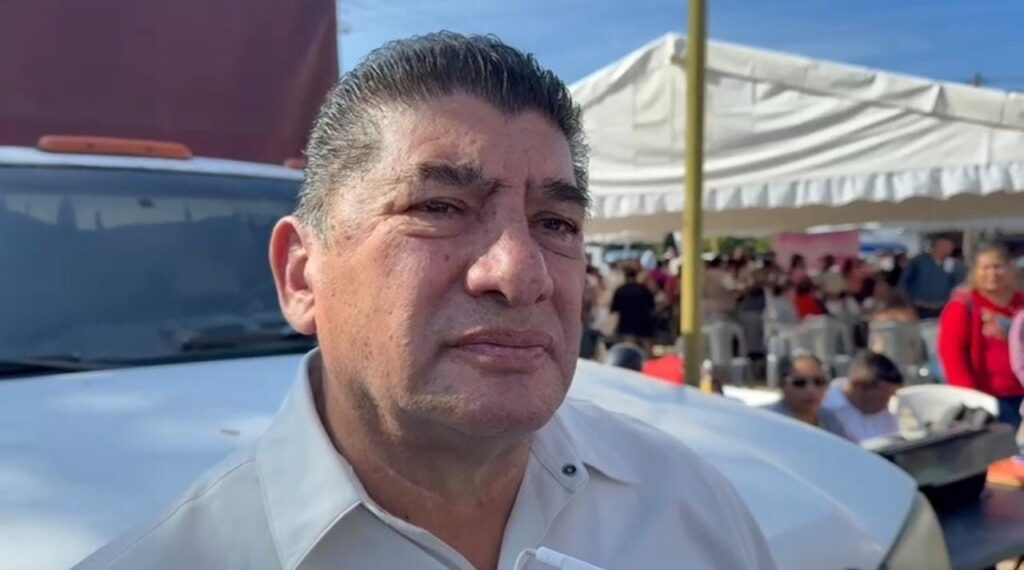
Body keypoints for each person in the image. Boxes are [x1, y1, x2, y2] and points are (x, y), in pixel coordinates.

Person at [75, 33, 774, 570]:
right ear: (302, 277)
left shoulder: (687, 504)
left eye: (556, 223)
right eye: (439, 207)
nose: (520, 273)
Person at [938, 242, 1024, 429]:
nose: (992, 274)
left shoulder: (1020, 304)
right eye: (985, 268)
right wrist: (970, 397)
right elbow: (952, 354)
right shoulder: (963, 307)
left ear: (1010, 269)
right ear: (975, 272)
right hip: (988, 399)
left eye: (998, 267)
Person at [822, 351, 903, 443]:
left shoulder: (884, 413)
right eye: (884, 397)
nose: (886, 403)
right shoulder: (825, 411)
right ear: (859, 387)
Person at [766, 354, 849, 439]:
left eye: (819, 381)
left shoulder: (831, 420)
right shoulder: (767, 421)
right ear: (781, 385)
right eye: (800, 383)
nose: (811, 390)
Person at [900, 238, 956, 319]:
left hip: (942, 308)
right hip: (919, 308)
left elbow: (955, 283)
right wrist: (908, 305)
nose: (950, 250)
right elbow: (903, 283)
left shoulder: (951, 263)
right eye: (947, 247)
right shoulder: (918, 261)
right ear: (938, 247)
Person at [610, 267, 656, 350]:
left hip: (627, 323)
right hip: (644, 321)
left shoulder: (620, 290)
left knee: (630, 347)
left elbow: (615, 308)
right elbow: (652, 306)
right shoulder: (644, 289)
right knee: (647, 346)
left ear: (625, 276)